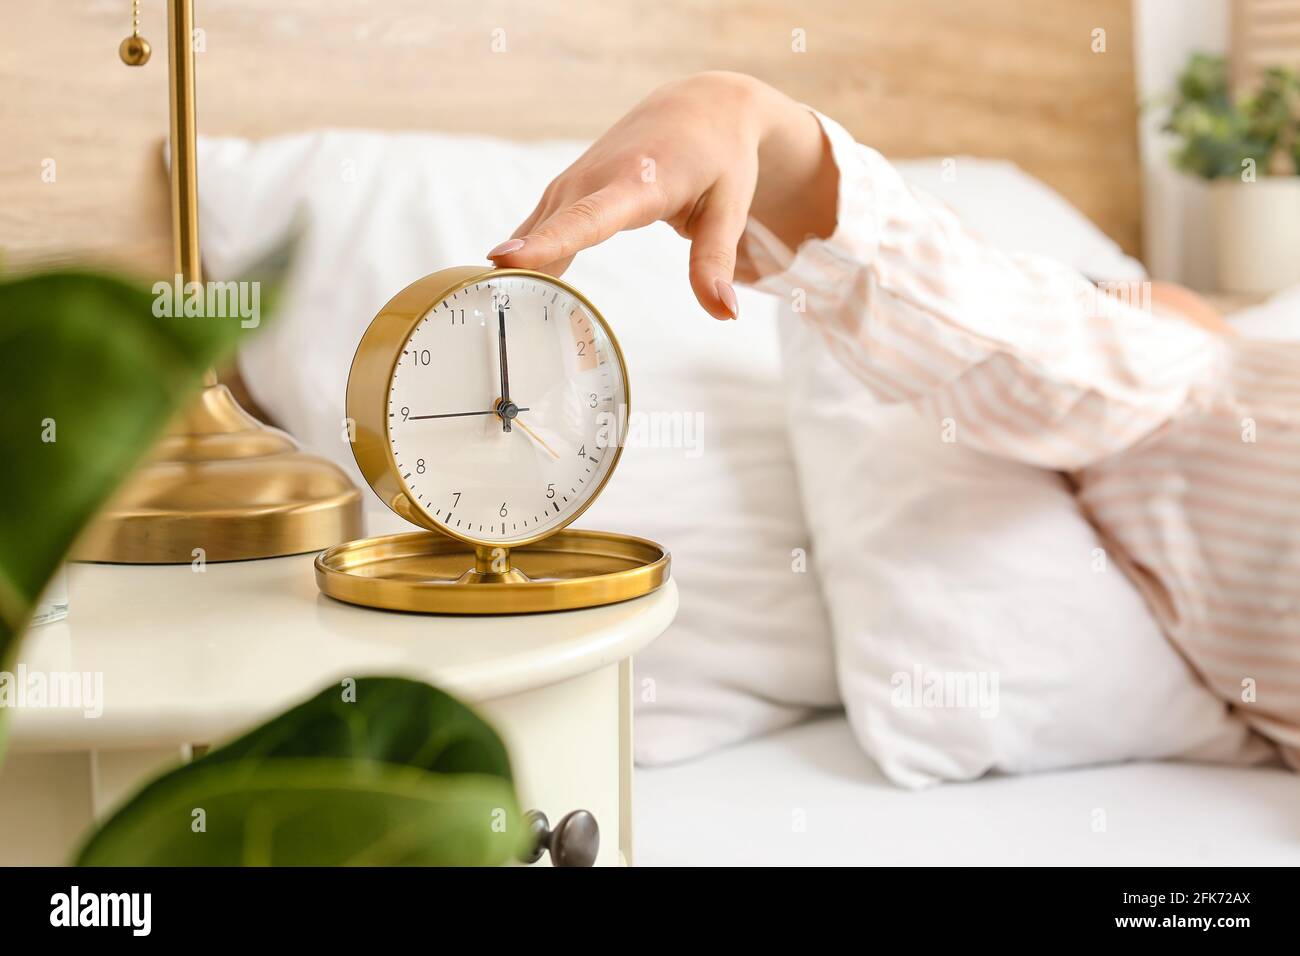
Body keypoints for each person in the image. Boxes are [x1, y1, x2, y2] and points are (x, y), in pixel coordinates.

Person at [487, 71, 1300, 769]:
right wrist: (765, 136)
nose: (1117, 300)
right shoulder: (1180, 383)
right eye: (1099, 293)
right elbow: (1018, 335)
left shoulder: (1214, 374)